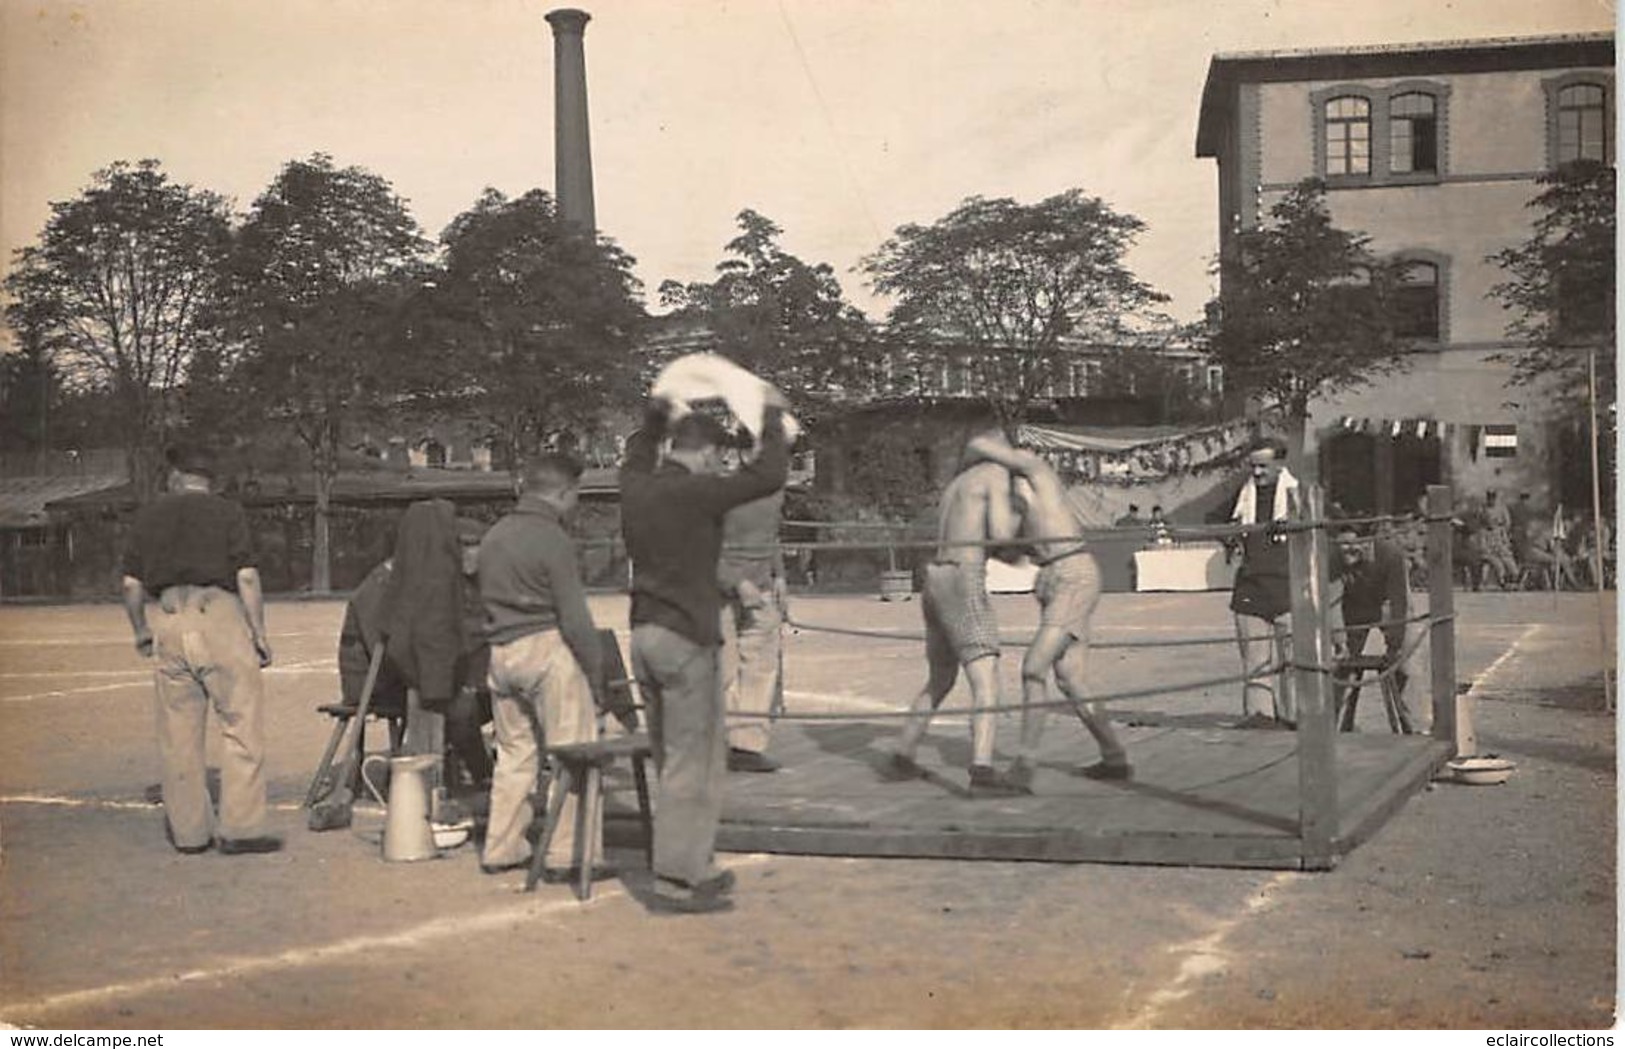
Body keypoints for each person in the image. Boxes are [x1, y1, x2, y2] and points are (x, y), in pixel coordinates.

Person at [621, 398, 790, 914]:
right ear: (709, 451)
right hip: (686, 639)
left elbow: (635, 450)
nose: (723, 464)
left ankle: (696, 864)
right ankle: (678, 878)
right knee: (693, 764)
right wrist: (771, 419)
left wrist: (654, 415)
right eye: (719, 455)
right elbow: (767, 476)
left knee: (673, 757)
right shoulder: (697, 493)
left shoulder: (636, 486)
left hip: (644, 633)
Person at [120, 445, 280, 855]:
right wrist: (258, 631)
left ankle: (190, 835)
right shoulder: (228, 513)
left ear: (176, 475)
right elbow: (245, 576)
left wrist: (140, 629)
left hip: (170, 620)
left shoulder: (150, 516)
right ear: (209, 479)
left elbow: (131, 586)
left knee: (178, 736)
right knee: (241, 723)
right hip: (219, 614)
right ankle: (241, 829)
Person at [965, 431, 1130, 788]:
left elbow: (977, 444)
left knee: (1033, 667)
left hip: (1073, 573)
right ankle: (1115, 757)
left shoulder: (1038, 472)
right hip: (1053, 579)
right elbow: (1010, 549)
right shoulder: (1014, 503)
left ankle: (1024, 766)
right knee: (1071, 677)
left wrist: (981, 456)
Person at [476, 455, 608, 882]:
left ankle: (502, 846)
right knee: (575, 755)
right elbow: (575, 618)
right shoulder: (552, 538)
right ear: (564, 492)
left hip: (501, 651)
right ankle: (568, 854)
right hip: (546, 649)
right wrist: (597, 674)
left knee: (514, 755)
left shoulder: (494, 535)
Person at [886, 423, 1024, 794]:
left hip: (935, 578)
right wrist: (1020, 516)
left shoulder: (956, 485)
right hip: (963, 577)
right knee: (986, 680)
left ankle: (903, 752)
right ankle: (982, 769)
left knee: (942, 677)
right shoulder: (992, 475)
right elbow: (1002, 534)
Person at [717, 430, 788, 774]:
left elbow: (773, 536)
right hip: (720, 590)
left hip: (760, 590)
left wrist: (781, 576)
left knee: (761, 666)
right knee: (721, 667)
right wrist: (734, 581)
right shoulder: (722, 491)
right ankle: (707, 741)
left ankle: (746, 745)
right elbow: (701, 543)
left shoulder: (774, 492)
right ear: (743, 455)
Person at [1229, 437, 1298, 727]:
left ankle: (1295, 718)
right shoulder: (1241, 494)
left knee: (1293, 662)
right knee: (1256, 663)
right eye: (1253, 466)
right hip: (1252, 589)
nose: (1256, 473)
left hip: (1288, 588)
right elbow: (1220, 522)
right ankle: (1261, 719)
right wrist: (1230, 535)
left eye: (1263, 467)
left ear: (1280, 465)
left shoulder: (1298, 495)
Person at [1331, 525, 1415, 722]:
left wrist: (1395, 645)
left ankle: (1408, 718)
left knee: (1405, 663)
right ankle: (1333, 720)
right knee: (1338, 664)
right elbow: (1331, 601)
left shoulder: (1390, 555)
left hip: (1386, 603)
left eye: (1352, 547)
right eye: (1342, 546)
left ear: (1367, 543)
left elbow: (1399, 602)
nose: (1347, 552)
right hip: (1354, 606)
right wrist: (1339, 641)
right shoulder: (1333, 558)